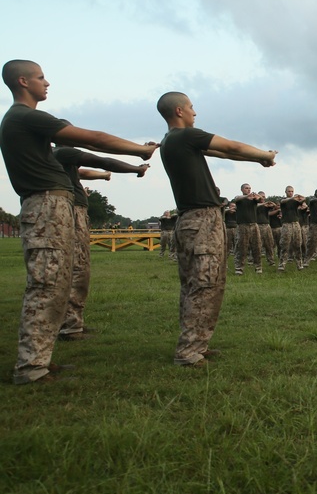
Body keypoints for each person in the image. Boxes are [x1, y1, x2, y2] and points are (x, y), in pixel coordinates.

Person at [1, 59, 156, 384]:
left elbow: (89, 160)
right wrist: (138, 150)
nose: (47, 83)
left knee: (55, 284)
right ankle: (30, 368)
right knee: (46, 285)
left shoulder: (21, 123)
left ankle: (38, 361)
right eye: (41, 77)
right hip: (45, 207)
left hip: (51, 205)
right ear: (23, 81)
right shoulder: (26, 117)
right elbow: (94, 139)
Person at [157, 91, 275, 367]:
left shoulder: (171, 141)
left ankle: (197, 342)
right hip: (202, 221)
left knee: (195, 284)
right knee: (204, 283)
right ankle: (189, 351)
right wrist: (265, 154)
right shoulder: (185, 136)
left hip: (191, 220)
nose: (195, 113)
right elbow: (230, 146)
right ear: (179, 111)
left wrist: (257, 160)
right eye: (191, 108)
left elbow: (221, 152)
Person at [52, 146, 150, 340]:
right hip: (73, 211)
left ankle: (71, 322)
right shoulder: (63, 152)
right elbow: (101, 159)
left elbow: (82, 172)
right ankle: (70, 327)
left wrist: (103, 175)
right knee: (78, 269)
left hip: (74, 211)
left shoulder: (60, 159)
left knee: (75, 268)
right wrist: (136, 169)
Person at [232, 183, 263, 275]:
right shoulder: (240, 198)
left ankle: (258, 267)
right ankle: (239, 268)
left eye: (249, 188)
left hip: (254, 225)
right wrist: (247, 196)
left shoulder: (254, 200)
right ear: (242, 189)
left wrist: (258, 196)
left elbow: (261, 200)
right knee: (241, 247)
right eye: (246, 188)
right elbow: (237, 198)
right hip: (242, 225)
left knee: (257, 246)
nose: (248, 190)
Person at [278, 186, 306, 271]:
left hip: (296, 224)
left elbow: (304, 202)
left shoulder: (295, 201)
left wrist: (300, 198)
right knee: (285, 245)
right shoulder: (284, 200)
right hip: (286, 224)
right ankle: (282, 265)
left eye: (292, 191)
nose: (291, 193)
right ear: (286, 192)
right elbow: (283, 201)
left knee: (297, 244)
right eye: (289, 191)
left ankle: (299, 264)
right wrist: (294, 198)